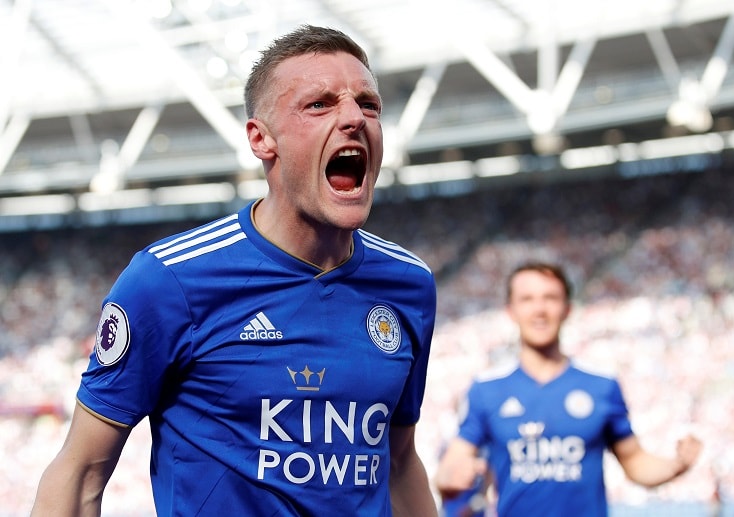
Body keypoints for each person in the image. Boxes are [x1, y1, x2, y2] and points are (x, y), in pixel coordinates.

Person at [32, 25, 438, 517]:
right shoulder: (170, 281)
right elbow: (79, 475)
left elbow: (399, 463)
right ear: (261, 139)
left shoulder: (409, 284)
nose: (354, 117)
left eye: (368, 104)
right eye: (319, 104)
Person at [434, 261, 702, 517]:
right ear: (510, 311)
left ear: (567, 309)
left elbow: (635, 461)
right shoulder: (487, 389)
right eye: (527, 299)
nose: (539, 309)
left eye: (550, 298)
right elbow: (450, 467)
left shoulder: (601, 386)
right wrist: (450, 478)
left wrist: (676, 465)